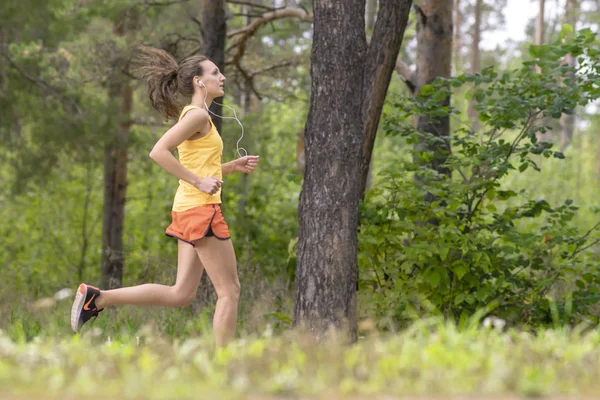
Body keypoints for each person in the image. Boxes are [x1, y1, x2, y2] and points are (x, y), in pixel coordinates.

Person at [70, 45, 259, 347]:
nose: (222, 77)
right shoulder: (197, 116)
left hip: (189, 209)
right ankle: (225, 366)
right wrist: (198, 182)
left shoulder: (197, 117)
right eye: (215, 73)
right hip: (200, 211)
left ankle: (99, 298)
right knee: (230, 291)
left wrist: (231, 167)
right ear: (199, 82)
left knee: (181, 293)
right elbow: (158, 152)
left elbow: (200, 166)